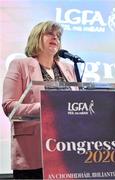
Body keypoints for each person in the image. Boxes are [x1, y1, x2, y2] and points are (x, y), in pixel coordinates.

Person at [2, 20, 78, 179]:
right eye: (50, 33)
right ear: (36, 38)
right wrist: (48, 106)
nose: (55, 38)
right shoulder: (20, 65)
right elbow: (9, 106)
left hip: (67, 148)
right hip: (33, 152)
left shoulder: (68, 68)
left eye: (58, 36)